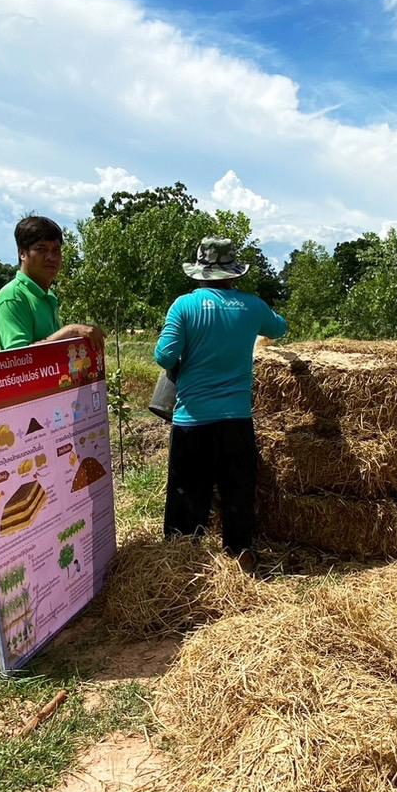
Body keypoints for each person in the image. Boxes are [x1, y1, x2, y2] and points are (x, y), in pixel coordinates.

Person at [154, 236, 288, 572]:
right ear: (233, 273)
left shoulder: (184, 306)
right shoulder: (252, 305)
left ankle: (183, 558)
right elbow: (280, 328)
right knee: (237, 490)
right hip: (237, 420)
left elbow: (164, 355)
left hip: (192, 420)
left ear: (200, 271)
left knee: (188, 493)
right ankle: (240, 551)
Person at [0, 215, 104, 352]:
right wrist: (70, 331)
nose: (51, 257)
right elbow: (19, 360)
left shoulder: (48, 295)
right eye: (41, 249)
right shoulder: (13, 297)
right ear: (22, 253)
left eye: (56, 250)